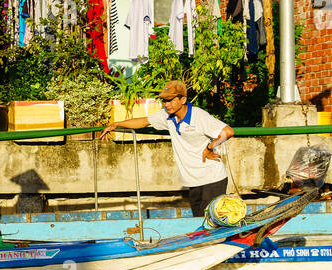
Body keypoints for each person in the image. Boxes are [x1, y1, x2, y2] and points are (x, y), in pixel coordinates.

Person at [100, 79, 234, 218]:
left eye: (170, 100)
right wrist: (116, 124)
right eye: (164, 101)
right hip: (193, 180)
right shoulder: (166, 115)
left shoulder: (198, 115)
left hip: (212, 177)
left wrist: (209, 147)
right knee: (199, 221)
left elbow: (228, 132)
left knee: (211, 222)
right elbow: (144, 121)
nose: (167, 104)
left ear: (183, 100)